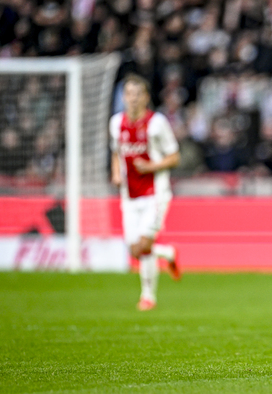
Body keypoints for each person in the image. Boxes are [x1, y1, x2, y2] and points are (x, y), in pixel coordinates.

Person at [110, 73, 182, 311]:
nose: (132, 98)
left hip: (155, 194)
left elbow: (174, 156)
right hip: (129, 196)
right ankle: (168, 253)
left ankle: (148, 296)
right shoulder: (116, 123)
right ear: (123, 97)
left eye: (137, 94)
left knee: (143, 244)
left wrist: (150, 166)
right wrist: (116, 173)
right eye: (128, 94)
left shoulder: (156, 123)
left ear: (146, 97)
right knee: (135, 249)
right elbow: (116, 152)